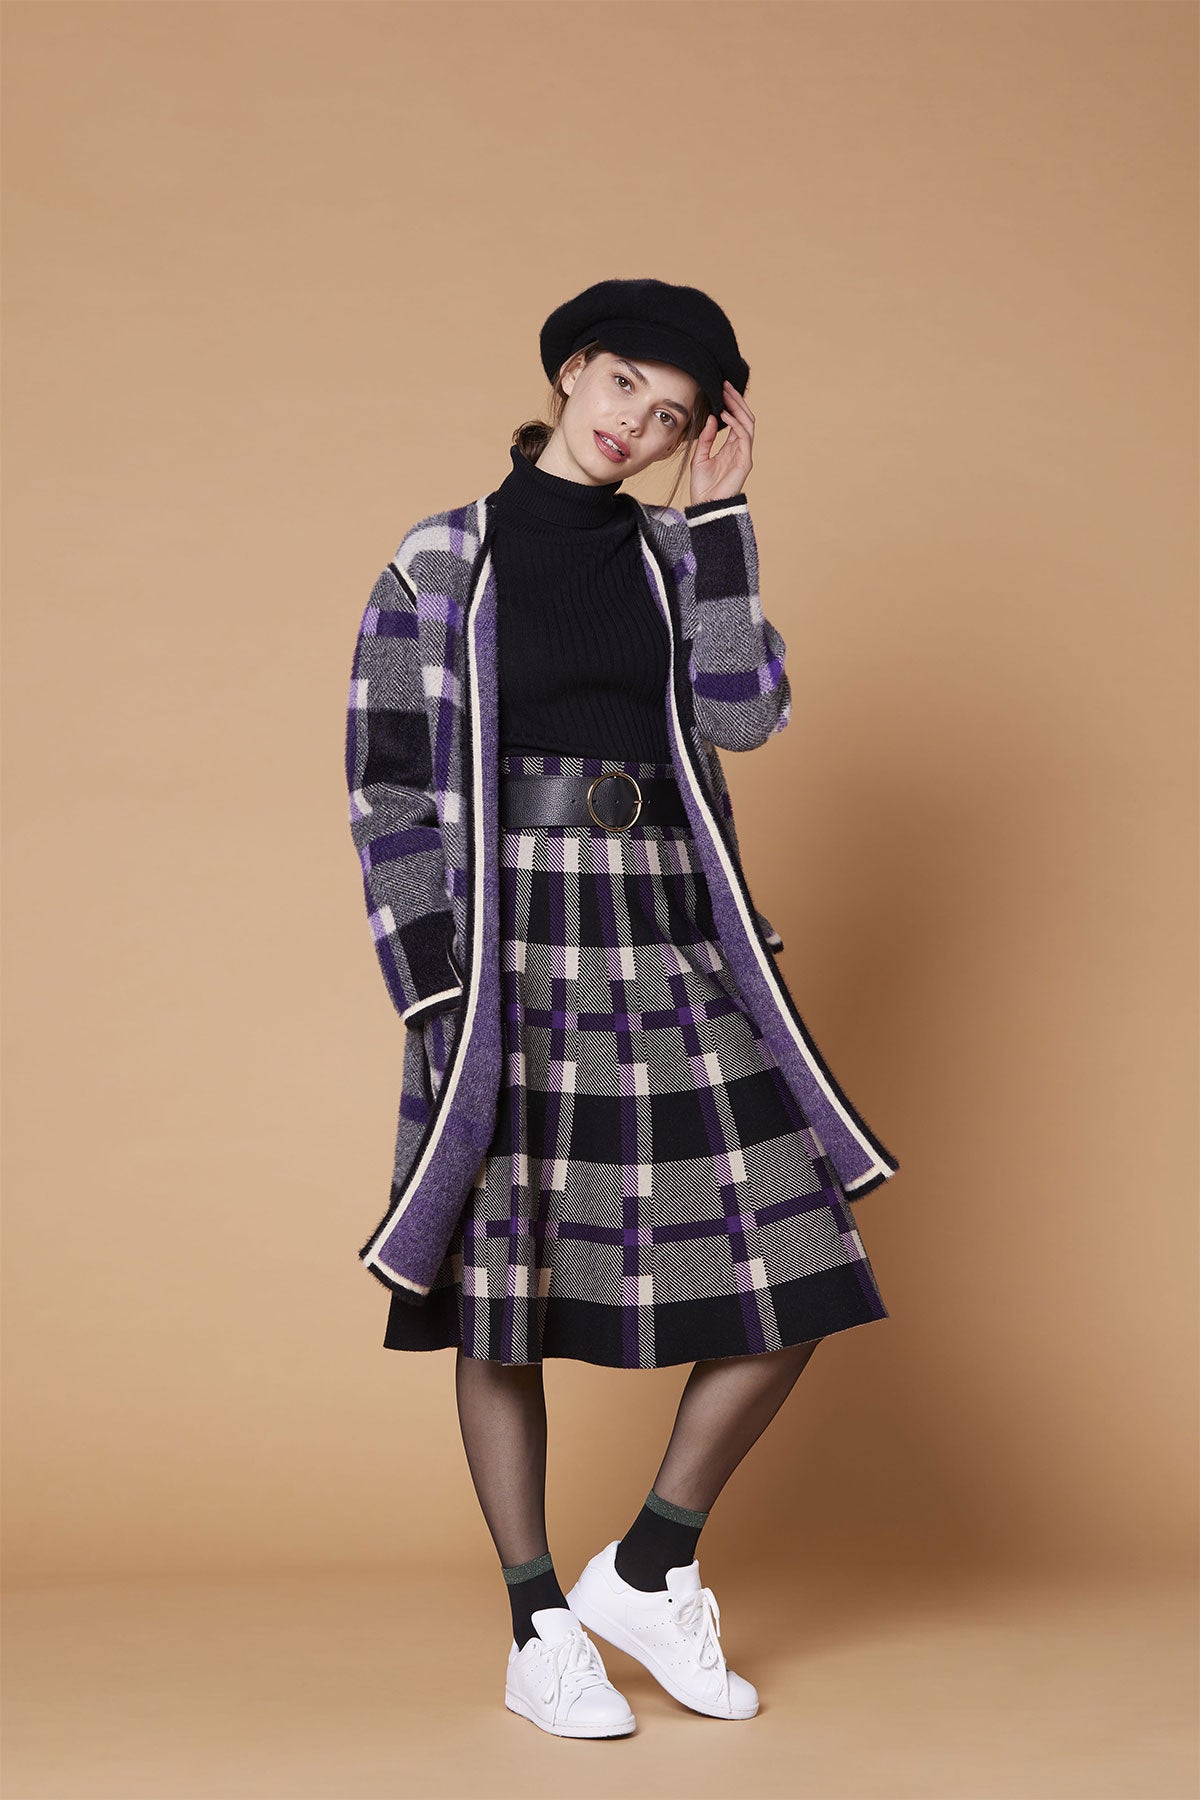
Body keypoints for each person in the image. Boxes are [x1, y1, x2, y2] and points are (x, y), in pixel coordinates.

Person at [344, 278, 899, 1738]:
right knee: (502, 1290)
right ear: (570, 373)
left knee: (800, 1249)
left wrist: (721, 525)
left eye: (670, 418)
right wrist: (437, 987)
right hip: (508, 945)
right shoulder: (437, 562)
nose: (633, 426)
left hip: (664, 928)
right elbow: (387, 787)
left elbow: (744, 715)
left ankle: (648, 1566)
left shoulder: (673, 554)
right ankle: (538, 1623)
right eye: (621, 389)